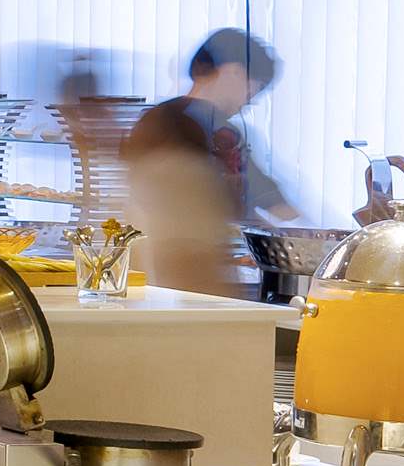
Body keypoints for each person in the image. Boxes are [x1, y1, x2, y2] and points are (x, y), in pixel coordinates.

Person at [124, 27, 305, 299]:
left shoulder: (165, 120)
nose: (249, 101)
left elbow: (266, 199)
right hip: (180, 273)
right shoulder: (193, 126)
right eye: (254, 89)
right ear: (233, 72)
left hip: (185, 272)